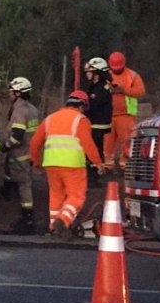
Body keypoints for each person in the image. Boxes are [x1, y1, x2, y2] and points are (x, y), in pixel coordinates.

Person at [30, 90, 106, 238]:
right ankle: (63, 220)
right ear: (82, 106)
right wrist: (98, 163)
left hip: (51, 164)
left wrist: (36, 162)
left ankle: (54, 227)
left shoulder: (50, 119)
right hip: (73, 165)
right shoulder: (81, 120)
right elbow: (88, 144)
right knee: (76, 196)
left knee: (56, 196)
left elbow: (35, 143)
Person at [1, 77, 41, 234]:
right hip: (30, 154)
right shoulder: (33, 109)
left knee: (24, 188)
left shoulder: (19, 111)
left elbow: (17, 136)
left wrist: (5, 146)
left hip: (19, 156)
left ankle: (27, 220)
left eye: (11, 92)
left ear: (17, 93)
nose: (9, 94)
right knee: (22, 185)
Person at [105, 50, 145, 172]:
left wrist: (123, 90)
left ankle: (126, 166)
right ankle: (107, 167)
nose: (116, 70)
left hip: (126, 115)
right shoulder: (105, 75)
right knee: (107, 143)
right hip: (107, 115)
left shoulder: (132, 75)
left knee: (127, 142)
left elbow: (140, 91)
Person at [83, 57, 113, 182]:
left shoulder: (102, 88)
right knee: (96, 149)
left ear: (97, 72)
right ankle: (94, 174)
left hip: (98, 124)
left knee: (94, 149)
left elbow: (92, 105)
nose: (87, 74)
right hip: (95, 122)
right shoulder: (96, 86)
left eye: (89, 71)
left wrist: (82, 105)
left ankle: (94, 175)